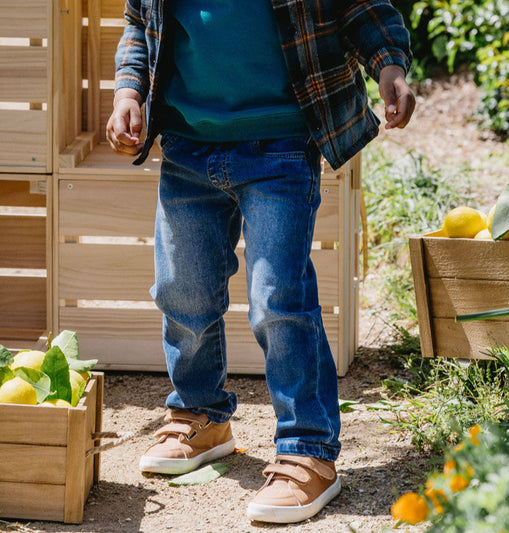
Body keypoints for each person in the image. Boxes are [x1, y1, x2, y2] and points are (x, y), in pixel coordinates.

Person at [107, 0, 415, 524]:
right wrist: (127, 91)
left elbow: (360, 7)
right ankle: (201, 412)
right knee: (182, 288)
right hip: (188, 146)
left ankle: (308, 449)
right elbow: (141, 23)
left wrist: (389, 66)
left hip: (281, 145)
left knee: (279, 298)